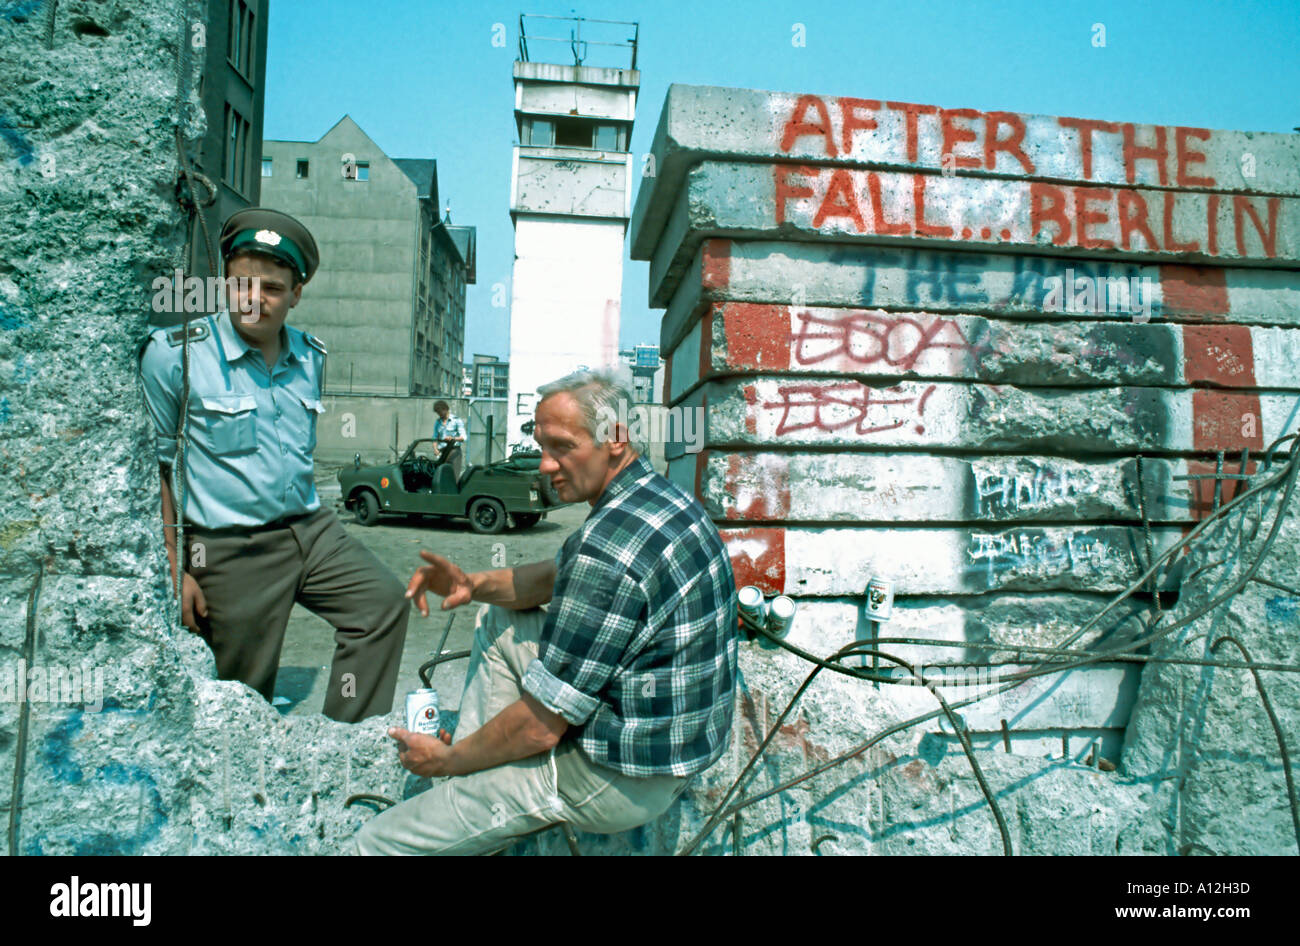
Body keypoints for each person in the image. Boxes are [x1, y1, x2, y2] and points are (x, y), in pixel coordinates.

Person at [352, 367, 738, 855]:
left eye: (562, 447)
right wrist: (473, 584)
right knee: (496, 619)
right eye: (542, 446)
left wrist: (447, 760)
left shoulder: (609, 547)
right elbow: (560, 573)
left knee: (377, 843)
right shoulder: (655, 497)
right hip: (674, 749)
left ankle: (461, 787)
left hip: (616, 776)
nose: (545, 466)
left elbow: (540, 725)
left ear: (615, 439)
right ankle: (468, 793)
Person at [138, 207, 410, 723]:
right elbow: (158, 471)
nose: (254, 299)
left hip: (312, 529)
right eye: (242, 284)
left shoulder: (311, 355)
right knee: (242, 693)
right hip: (229, 546)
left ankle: (342, 742)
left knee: (381, 605)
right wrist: (176, 570)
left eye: (272, 288)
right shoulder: (175, 356)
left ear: (295, 294)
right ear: (223, 283)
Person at [432, 400, 467, 479]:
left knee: (453, 476)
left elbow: (464, 437)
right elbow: (434, 438)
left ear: (445, 409)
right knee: (440, 476)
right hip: (442, 452)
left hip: (454, 451)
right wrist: (435, 449)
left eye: (439, 411)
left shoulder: (456, 420)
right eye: (437, 412)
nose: (439, 414)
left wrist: (453, 438)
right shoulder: (437, 422)